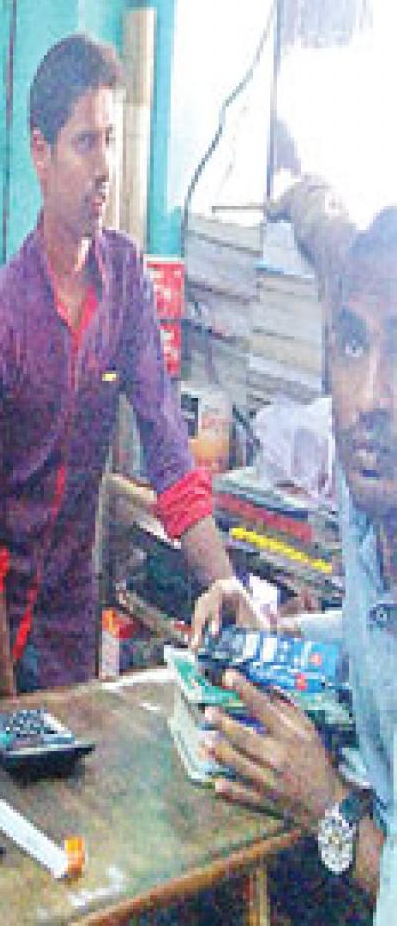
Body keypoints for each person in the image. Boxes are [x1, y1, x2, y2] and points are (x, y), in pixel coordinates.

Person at [0, 33, 236, 702]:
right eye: (85, 142)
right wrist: (5, 706)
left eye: (111, 139)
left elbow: (169, 453)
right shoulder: (1, 322)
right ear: (41, 153)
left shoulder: (127, 279)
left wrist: (221, 580)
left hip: (70, 632)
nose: (104, 166)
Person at [193, 191, 397, 923]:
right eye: (352, 345)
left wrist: (330, 811)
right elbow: (380, 635)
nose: (370, 396)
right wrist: (277, 638)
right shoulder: (368, 489)